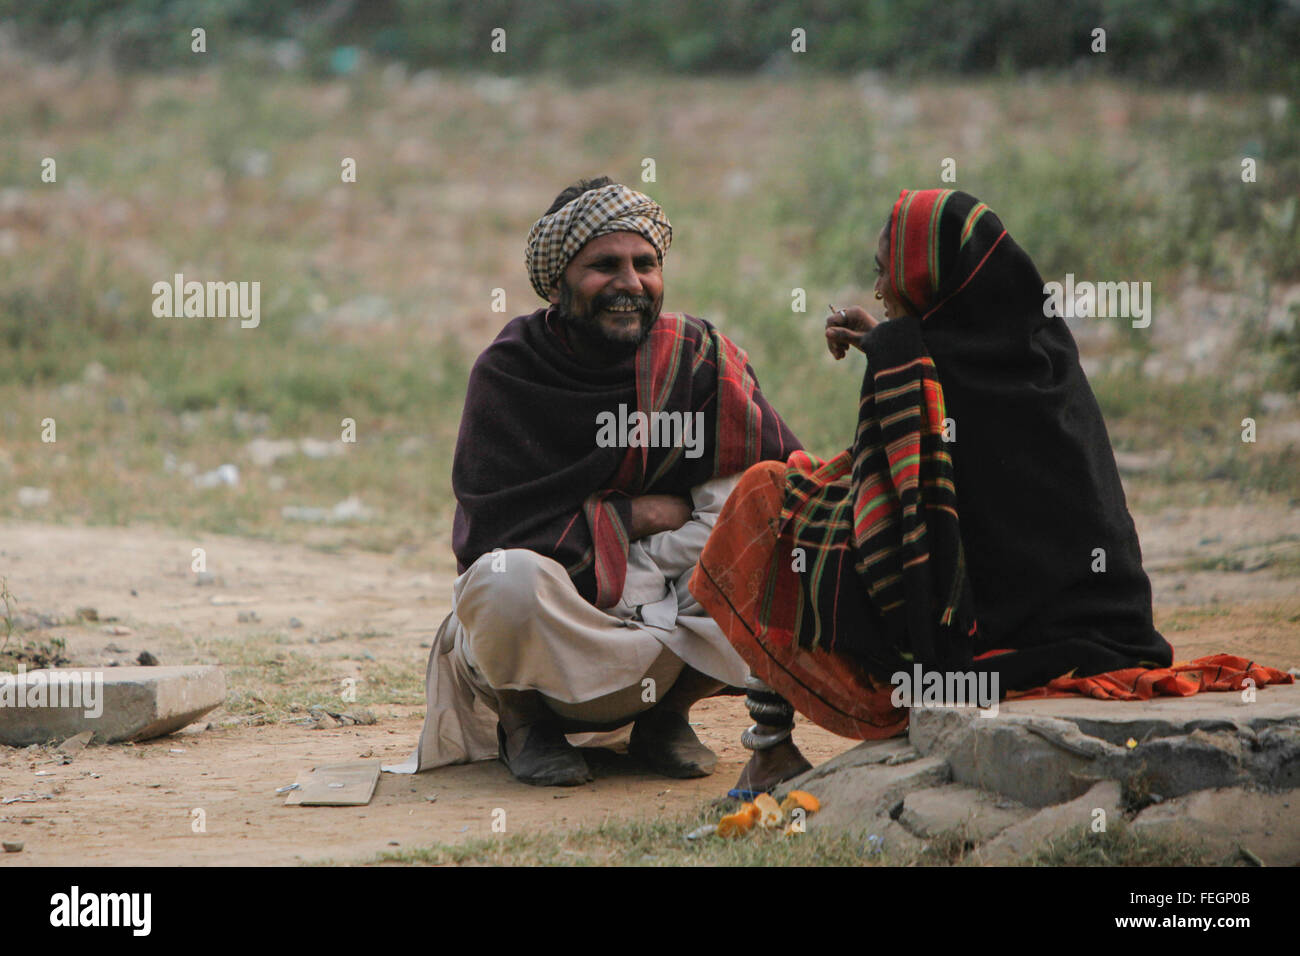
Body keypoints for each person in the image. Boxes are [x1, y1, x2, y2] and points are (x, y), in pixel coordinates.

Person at [692, 188, 1180, 795]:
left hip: (980, 635)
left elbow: (905, 493)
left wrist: (890, 350)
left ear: (926, 281)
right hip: (1094, 618)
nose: (876, 292)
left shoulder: (926, 365)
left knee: (768, 498)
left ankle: (769, 752)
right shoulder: (1039, 348)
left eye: (884, 273)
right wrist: (889, 343)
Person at [386, 177, 801, 786]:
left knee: (775, 539)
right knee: (505, 582)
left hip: (669, 621)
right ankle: (526, 725)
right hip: (556, 622)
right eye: (604, 265)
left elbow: (771, 485)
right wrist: (630, 517)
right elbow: (495, 530)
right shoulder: (512, 371)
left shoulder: (696, 358)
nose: (630, 284)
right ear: (557, 282)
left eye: (645, 264)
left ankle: (666, 716)